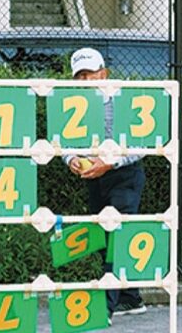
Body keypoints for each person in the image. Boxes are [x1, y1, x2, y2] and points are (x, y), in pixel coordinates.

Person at [63, 47, 147, 318]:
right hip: (94, 178)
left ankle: (105, 308)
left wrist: (111, 162)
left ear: (104, 73)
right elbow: (63, 140)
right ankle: (131, 298)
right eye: (80, 76)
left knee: (117, 232)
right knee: (103, 237)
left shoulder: (125, 98)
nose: (86, 81)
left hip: (126, 175)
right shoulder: (71, 102)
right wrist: (71, 158)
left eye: (91, 74)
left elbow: (144, 142)